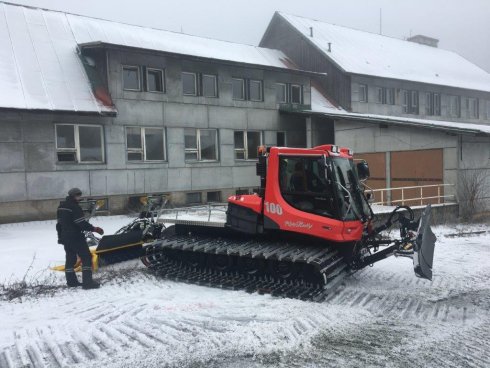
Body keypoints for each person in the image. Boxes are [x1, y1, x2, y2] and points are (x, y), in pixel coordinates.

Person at [56, 188, 104, 289]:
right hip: (76, 237)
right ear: (74, 196)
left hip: (66, 237)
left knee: (70, 259)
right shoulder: (74, 207)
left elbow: (59, 225)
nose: (80, 197)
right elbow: (81, 223)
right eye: (79, 195)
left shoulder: (61, 207)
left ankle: (71, 282)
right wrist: (95, 229)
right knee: (86, 257)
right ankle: (88, 283)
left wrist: (60, 237)